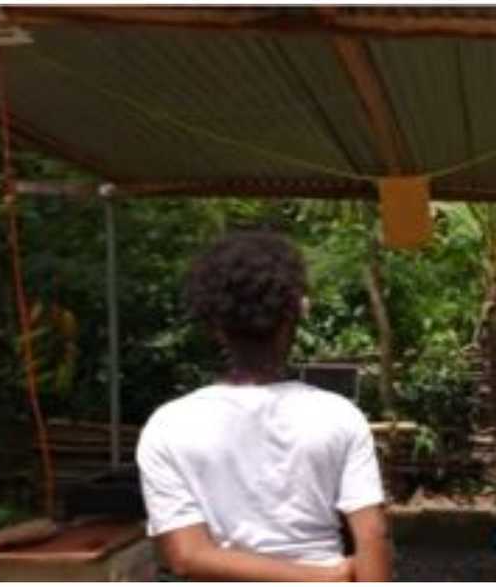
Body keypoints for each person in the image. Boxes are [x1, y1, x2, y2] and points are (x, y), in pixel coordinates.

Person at [136, 230, 392, 581]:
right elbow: (373, 535)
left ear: (214, 326)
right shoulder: (339, 416)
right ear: (291, 319)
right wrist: (323, 578)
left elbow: (187, 556)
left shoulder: (168, 425)